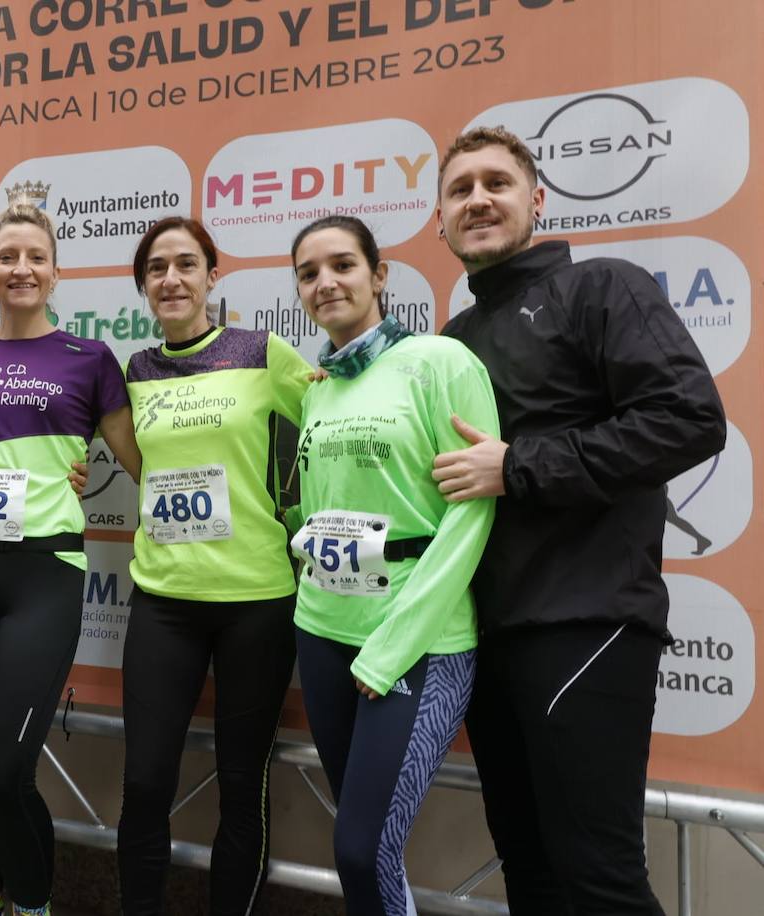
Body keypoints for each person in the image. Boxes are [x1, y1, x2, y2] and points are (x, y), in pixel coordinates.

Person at [431, 126, 726, 915]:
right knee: (529, 872)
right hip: (485, 636)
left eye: (496, 182)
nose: (479, 199)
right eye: (460, 189)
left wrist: (516, 465)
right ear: (440, 222)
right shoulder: (448, 343)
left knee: (599, 880)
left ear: (537, 199)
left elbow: (688, 419)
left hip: (587, 623)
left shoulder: (602, 287)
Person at [0, 201, 140, 916]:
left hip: (43, 575)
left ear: (55, 271)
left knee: (4, 766)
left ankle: (33, 905)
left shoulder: (89, 359)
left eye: (35, 257)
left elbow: (138, 460)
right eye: (8, 257)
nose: (22, 268)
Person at [285, 215, 499, 915]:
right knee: (365, 840)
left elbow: (473, 513)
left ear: (379, 276)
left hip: (415, 642)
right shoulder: (319, 385)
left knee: (360, 847)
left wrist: (392, 649)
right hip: (322, 629)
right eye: (310, 272)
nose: (326, 282)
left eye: (343, 265)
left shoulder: (441, 362)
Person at [114, 217, 313, 916]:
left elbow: (331, 413)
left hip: (257, 598)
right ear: (143, 286)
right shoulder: (136, 370)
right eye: (157, 268)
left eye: (186, 265)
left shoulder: (261, 351)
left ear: (211, 276)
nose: (171, 278)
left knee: (241, 783)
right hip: (164, 598)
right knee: (143, 782)